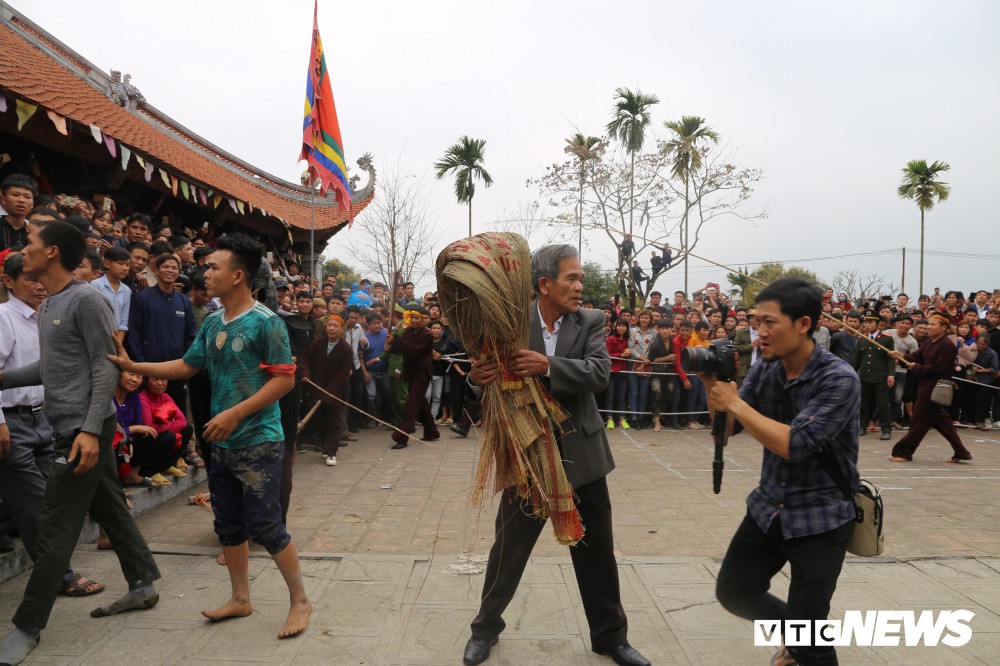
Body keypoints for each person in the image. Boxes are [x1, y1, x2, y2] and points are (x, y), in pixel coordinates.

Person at [105, 232, 311, 639]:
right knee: (229, 525)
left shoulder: (267, 323)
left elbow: (284, 382)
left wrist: (234, 413)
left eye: (213, 266)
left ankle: (300, 601)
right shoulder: (214, 321)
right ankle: (240, 598)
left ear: (238, 276)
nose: (205, 272)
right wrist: (135, 365)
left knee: (267, 526)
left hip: (258, 439)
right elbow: (186, 365)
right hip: (222, 441)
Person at [462, 244, 649, 666]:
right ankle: (485, 629)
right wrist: (477, 378)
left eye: (580, 278)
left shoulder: (590, 322)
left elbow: (600, 374)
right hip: (526, 456)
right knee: (508, 550)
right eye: (573, 278)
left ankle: (610, 638)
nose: (580, 287)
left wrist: (547, 364)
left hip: (582, 457)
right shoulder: (509, 322)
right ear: (544, 284)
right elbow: (481, 375)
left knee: (596, 552)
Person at [0, 220, 161, 666]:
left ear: (51, 252)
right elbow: (52, 369)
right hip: (79, 426)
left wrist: (90, 431)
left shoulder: (87, 299)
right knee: (110, 506)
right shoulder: (53, 302)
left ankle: (27, 626)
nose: (24, 248)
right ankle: (143, 582)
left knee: (53, 528)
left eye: (31, 243)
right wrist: (2, 380)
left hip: (80, 431)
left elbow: (106, 366)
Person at [705, 277, 860, 666]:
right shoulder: (766, 370)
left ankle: (804, 644)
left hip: (821, 517)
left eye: (770, 322)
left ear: (803, 324)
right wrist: (714, 390)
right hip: (769, 507)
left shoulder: (838, 378)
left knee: (810, 642)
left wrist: (736, 404)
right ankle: (800, 638)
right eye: (757, 322)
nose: (760, 332)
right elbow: (728, 430)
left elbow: (796, 444)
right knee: (734, 591)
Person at [0, 251, 106, 598]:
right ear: (8, 282)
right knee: (35, 506)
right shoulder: (4, 319)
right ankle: (61, 577)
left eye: (39, 277)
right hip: (12, 423)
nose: (38, 284)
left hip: (43, 420)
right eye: (28, 278)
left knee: (52, 502)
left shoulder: (47, 314)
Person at [889, 311, 973, 463]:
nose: (928, 327)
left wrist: (917, 368)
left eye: (932, 324)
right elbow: (916, 356)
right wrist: (900, 357)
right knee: (943, 422)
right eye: (928, 324)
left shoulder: (947, 345)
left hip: (934, 387)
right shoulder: (930, 342)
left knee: (918, 421)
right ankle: (961, 452)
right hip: (925, 385)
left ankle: (903, 452)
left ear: (944, 328)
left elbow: (939, 369)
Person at [299, 314, 351, 467]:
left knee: (334, 422)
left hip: (334, 392)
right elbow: (305, 358)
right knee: (320, 421)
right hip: (316, 388)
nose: (332, 328)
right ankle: (324, 447)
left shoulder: (346, 349)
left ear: (342, 330)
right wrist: (306, 374)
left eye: (336, 326)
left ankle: (331, 452)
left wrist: (329, 391)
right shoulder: (318, 343)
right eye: (330, 325)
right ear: (325, 327)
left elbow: (343, 374)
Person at [387, 303, 439, 449]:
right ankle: (432, 432)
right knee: (420, 403)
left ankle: (401, 438)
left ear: (423, 320)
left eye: (418, 318)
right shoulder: (407, 331)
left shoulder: (427, 335)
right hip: (410, 372)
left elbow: (412, 351)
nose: (415, 320)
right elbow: (400, 350)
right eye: (413, 317)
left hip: (422, 373)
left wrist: (396, 341)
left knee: (411, 405)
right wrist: (391, 346)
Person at [853, 311, 895, 441]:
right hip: (865, 375)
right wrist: (852, 374)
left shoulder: (886, 338)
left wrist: (891, 375)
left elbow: (890, 359)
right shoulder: (861, 339)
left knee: (883, 404)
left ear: (877, 323)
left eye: (870, 322)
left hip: (880, 376)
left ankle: (886, 429)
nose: (867, 324)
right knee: (863, 403)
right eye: (866, 322)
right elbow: (857, 360)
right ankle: (862, 426)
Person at [92, 246, 132, 343]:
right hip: (97, 338)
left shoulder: (126, 290)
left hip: (116, 340)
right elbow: (93, 316)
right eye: (120, 264)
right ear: (107, 263)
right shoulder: (96, 285)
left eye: (127, 265)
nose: (125, 268)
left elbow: (123, 321)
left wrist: (118, 344)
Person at [0, 175, 36, 251]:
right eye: (15, 195)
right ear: (3, 200)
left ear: (32, 203)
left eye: (27, 197)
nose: (21, 200)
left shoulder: (34, 232)